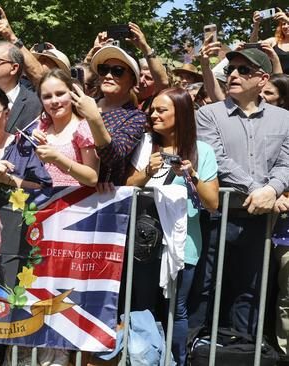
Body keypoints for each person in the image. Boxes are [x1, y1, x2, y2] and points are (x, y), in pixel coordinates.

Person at [192, 48, 289, 336]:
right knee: (203, 289)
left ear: (262, 79)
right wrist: (260, 190)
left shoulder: (284, 118)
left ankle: (242, 351)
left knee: (250, 292)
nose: (232, 74)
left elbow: (286, 162)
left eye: (243, 70)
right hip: (216, 216)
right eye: (231, 69)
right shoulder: (208, 114)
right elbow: (216, 158)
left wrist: (272, 189)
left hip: (260, 220)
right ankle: (193, 350)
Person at [125, 87, 219, 365]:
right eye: (152, 109)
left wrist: (191, 174)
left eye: (161, 110)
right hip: (145, 240)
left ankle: (175, 361)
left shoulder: (202, 151)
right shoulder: (144, 145)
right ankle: (144, 359)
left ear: (182, 113)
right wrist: (146, 172)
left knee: (176, 309)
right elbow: (127, 186)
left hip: (183, 242)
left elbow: (213, 202)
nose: (153, 114)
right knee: (141, 306)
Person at [71, 45, 147, 187]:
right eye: (103, 69)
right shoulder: (83, 103)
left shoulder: (135, 117)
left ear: (133, 80)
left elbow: (113, 155)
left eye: (118, 71)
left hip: (102, 198)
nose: (108, 76)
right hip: (63, 189)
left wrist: (94, 118)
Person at [32, 69, 99, 187]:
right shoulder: (41, 126)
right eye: (47, 97)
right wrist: (30, 142)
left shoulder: (83, 128)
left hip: (74, 201)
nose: (54, 101)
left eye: (60, 94)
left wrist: (57, 158)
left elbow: (92, 178)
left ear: (71, 93)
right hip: (41, 201)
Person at [251, 7, 289, 73]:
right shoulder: (274, 41)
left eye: (288, 23)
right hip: (276, 81)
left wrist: (287, 19)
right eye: (283, 24)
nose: (285, 26)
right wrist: (256, 24)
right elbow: (252, 45)